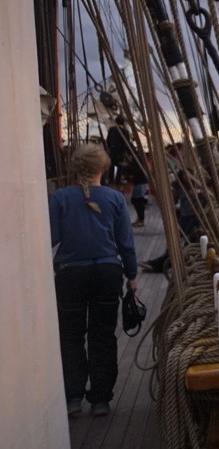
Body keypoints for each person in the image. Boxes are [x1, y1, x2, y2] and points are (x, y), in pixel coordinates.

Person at [49, 142, 138, 417]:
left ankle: (73, 398)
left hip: (71, 274)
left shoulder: (60, 198)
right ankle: (100, 400)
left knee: (71, 336)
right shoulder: (115, 199)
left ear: (76, 169)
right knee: (102, 336)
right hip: (107, 273)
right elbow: (125, 242)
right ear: (104, 168)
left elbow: (50, 238)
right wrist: (131, 276)